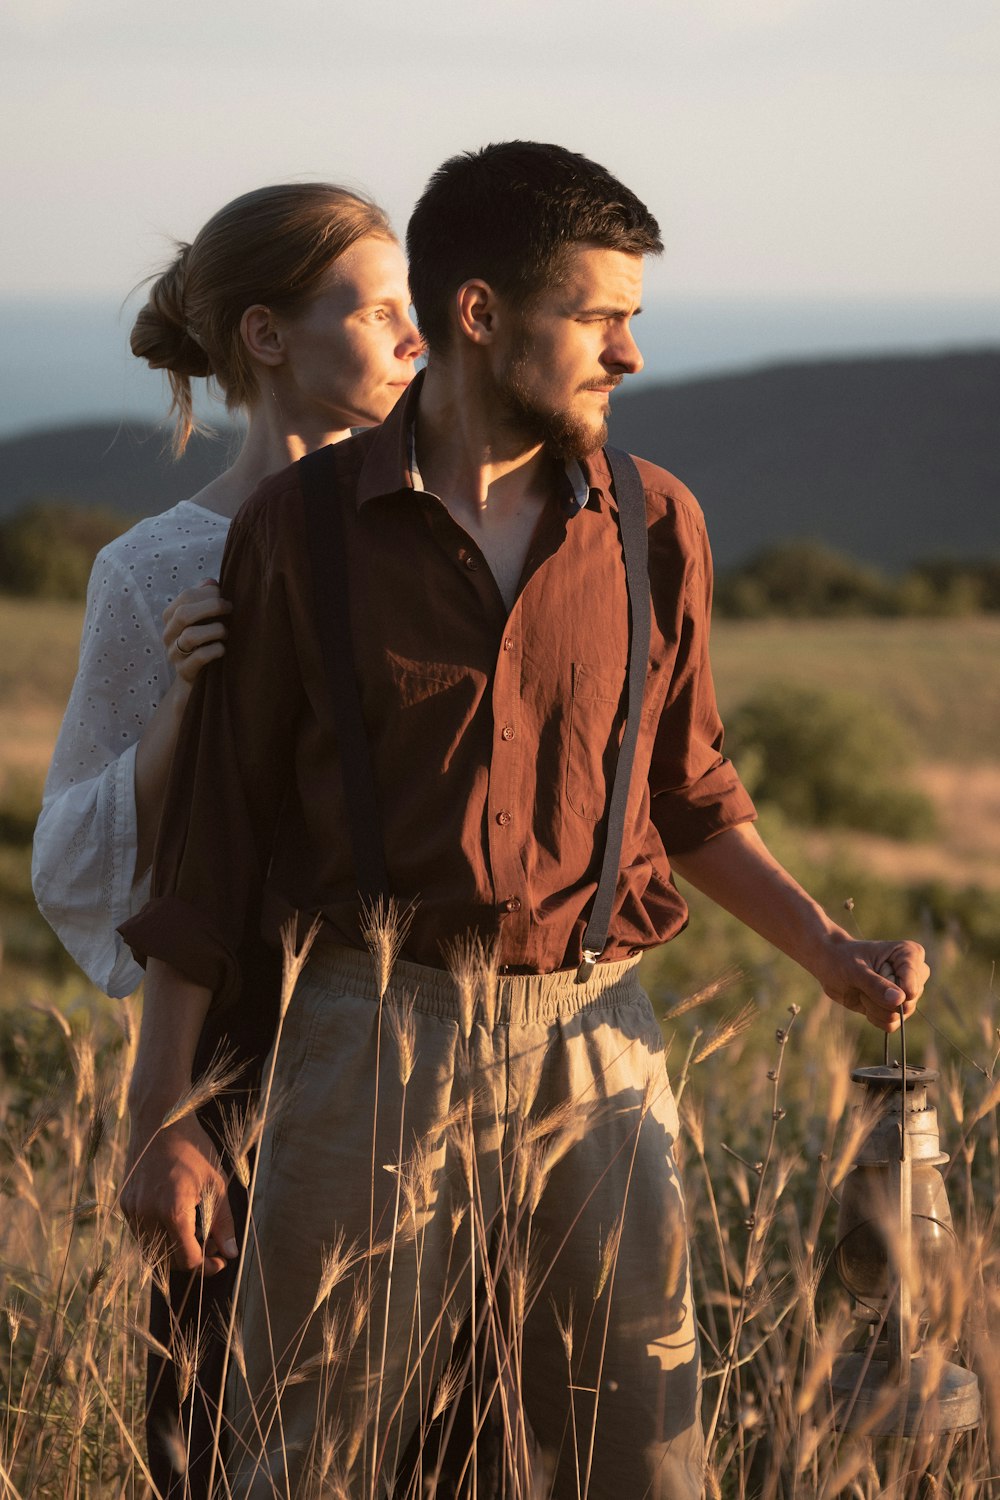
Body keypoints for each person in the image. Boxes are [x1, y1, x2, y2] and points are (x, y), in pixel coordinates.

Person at [119, 143, 928, 1500]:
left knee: (643, 1457)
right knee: (307, 1463)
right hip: (366, 1036)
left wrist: (827, 948)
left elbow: (690, 792)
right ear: (480, 316)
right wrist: (161, 1115)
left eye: (636, 322)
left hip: (599, 1044)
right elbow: (217, 843)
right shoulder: (298, 532)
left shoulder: (654, 525)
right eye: (598, 318)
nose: (629, 357)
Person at [31, 181, 422, 1494]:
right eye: (376, 310)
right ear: (266, 338)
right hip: (241, 1057)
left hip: (431, 1037)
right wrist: (188, 698)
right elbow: (75, 855)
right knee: (221, 1426)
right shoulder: (153, 569)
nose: (416, 337)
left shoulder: (436, 537)